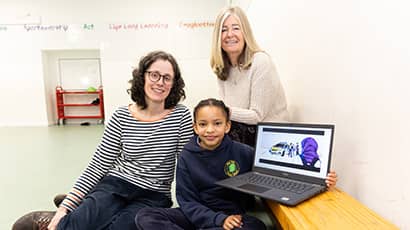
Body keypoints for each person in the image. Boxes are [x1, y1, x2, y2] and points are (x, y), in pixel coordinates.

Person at [12, 50, 193, 230]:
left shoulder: (180, 116)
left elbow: (187, 165)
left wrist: (195, 207)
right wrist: (65, 208)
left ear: (174, 83)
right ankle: (71, 212)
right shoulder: (121, 116)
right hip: (116, 184)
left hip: (153, 194)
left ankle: (83, 209)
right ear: (142, 77)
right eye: (154, 75)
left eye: (167, 78)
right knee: (75, 226)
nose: (160, 82)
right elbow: (98, 165)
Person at [134, 98, 338, 230]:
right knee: (146, 216)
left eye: (217, 123)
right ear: (195, 127)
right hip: (198, 215)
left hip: (233, 218)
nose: (210, 130)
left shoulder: (244, 152)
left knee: (256, 227)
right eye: (203, 124)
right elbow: (187, 201)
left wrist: (320, 178)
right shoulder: (187, 156)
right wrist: (215, 220)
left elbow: (279, 172)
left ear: (227, 126)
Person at [210, 6, 289, 147]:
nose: (229, 34)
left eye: (236, 28)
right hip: (241, 137)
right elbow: (227, 113)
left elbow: (256, 116)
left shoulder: (261, 62)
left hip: (270, 142)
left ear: (245, 32)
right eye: (223, 30)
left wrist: (221, 111)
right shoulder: (222, 68)